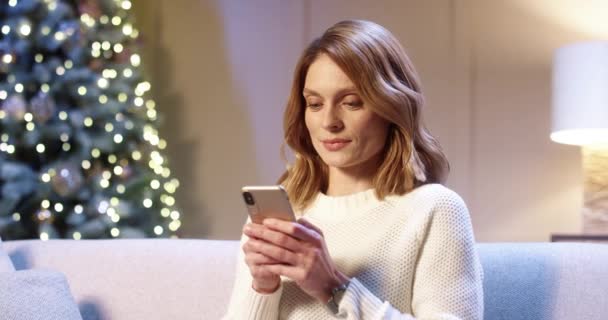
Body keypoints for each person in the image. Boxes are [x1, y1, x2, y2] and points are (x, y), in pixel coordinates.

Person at [223, 19, 483, 319]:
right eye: (315, 103)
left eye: (351, 102)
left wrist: (333, 286)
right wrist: (263, 286)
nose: (329, 121)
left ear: (392, 107)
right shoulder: (281, 215)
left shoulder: (436, 210)